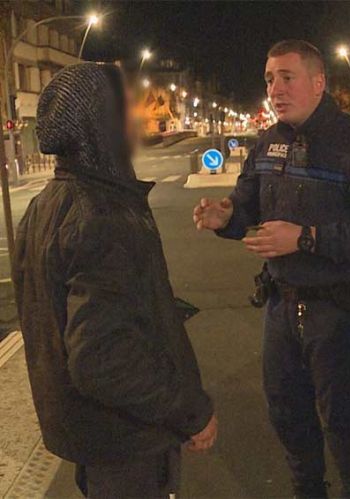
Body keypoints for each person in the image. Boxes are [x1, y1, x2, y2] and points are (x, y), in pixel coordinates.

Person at [193, 40, 350, 498]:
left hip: (340, 313)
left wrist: (307, 237)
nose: (275, 88)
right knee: (288, 419)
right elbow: (246, 205)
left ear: (318, 82)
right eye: (270, 78)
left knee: (346, 429)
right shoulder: (268, 144)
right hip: (281, 306)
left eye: (287, 77)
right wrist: (225, 216)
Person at [13, 63, 217, 498]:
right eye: (125, 109)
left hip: (94, 440)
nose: (138, 119)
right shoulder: (101, 215)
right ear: (98, 122)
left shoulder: (43, 208)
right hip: (128, 445)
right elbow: (101, 359)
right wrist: (193, 412)